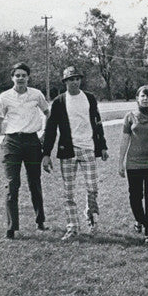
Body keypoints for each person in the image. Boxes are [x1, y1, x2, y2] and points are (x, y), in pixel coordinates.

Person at [42, 66, 109, 240]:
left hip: (88, 148)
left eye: (77, 78)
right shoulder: (59, 102)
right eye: (71, 79)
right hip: (68, 151)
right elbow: (50, 129)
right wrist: (46, 153)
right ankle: (72, 227)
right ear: (65, 82)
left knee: (93, 188)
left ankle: (91, 216)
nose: (75, 82)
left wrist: (102, 146)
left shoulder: (89, 98)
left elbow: (98, 122)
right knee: (69, 192)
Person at [0, 62, 50, 239]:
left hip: (32, 142)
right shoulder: (5, 97)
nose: (20, 78)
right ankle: (11, 228)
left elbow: (47, 113)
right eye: (17, 75)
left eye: (24, 75)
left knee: (34, 183)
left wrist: (44, 133)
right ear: (12, 78)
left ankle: (40, 221)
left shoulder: (36, 94)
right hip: (12, 143)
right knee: (12, 184)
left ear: (28, 77)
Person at [119, 85, 148, 245]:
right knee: (135, 197)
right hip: (133, 163)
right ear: (137, 98)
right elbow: (125, 139)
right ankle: (141, 220)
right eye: (142, 96)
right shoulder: (130, 116)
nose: (145, 98)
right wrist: (121, 162)